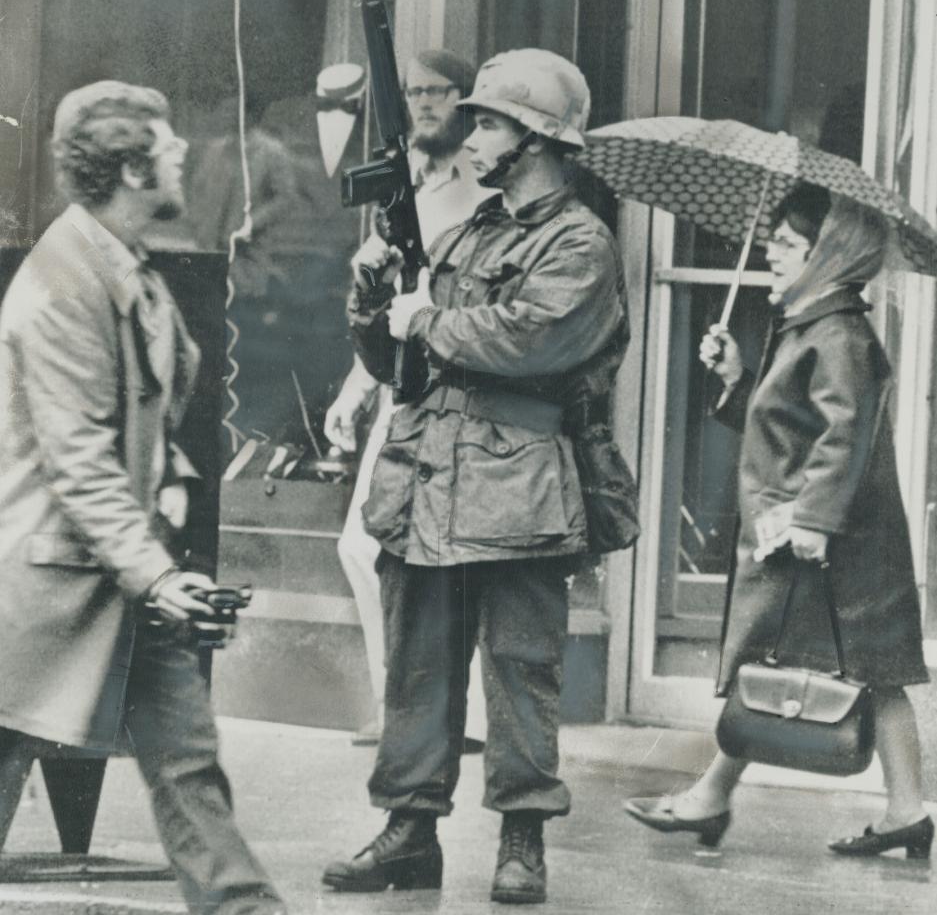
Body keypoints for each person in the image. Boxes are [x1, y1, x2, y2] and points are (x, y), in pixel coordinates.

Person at [322, 49, 628, 904]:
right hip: (427, 477)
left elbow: (537, 341)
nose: (472, 133)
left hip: (520, 483)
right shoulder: (464, 232)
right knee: (417, 666)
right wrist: (373, 295)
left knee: (520, 671)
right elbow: (395, 363)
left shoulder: (581, 242)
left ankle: (522, 839)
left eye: (489, 120)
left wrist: (432, 318)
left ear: (532, 138)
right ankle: (409, 831)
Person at [0, 82, 286, 914]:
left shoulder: (119, 264)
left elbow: (143, 422)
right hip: (45, 587)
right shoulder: (62, 287)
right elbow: (79, 462)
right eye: (165, 147)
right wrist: (159, 576)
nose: (182, 155)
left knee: (189, 767)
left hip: (113, 577)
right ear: (130, 168)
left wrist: (167, 509)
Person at [626, 185, 931, 858]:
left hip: (827, 540)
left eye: (787, 244)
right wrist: (737, 380)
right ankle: (905, 810)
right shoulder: (815, 326)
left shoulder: (837, 333)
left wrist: (814, 522)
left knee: (781, 661)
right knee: (860, 668)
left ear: (827, 254)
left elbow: (843, 435)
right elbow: (790, 430)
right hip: (831, 537)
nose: (771, 252)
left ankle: (709, 796)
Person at [324, 49, 489, 747]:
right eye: (414, 92)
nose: (424, 103)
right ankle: (399, 702)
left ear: (465, 98)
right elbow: (385, 298)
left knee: (454, 554)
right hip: (402, 384)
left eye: (437, 91)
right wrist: (356, 388)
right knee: (363, 547)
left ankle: (462, 717)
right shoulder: (409, 187)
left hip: (463, 388)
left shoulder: (486, 189)